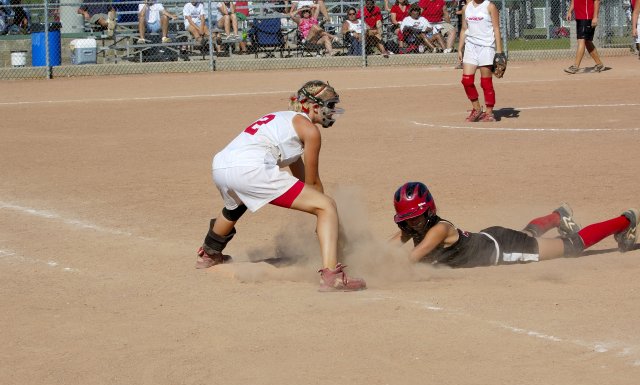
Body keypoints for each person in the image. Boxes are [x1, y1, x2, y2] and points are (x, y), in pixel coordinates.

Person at [195, 81, 366, 292]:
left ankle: (209, 253)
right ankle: (333, 277)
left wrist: (319, 210)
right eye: (329, 106)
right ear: (314, 106)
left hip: (221, 166)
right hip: (251, 169)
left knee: (236, 206)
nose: (332, 111)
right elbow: (313, 184)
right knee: (327, 206)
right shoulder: (310, 131)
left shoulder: (282, 119)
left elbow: (303, 180)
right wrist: (326, 214)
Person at [390, 182, 639, 268]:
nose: (412, 222)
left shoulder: (438, 229)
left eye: (416, 216)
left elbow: (412, 258)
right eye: (407, 218)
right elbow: (384, 248)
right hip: (492, 237)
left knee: (571, 246)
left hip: (503, 248)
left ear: (429, 210)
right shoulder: (415, 227)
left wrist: (377, 272)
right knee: (527, 235)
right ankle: (558, 216)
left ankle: (626, 220)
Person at [457, 0, 504, 122]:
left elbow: (496, 29)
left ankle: (489, 112)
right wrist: (460, 48)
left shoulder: (490, 6)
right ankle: (477, 108)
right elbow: (464, 29)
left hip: (486, 47)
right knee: (466, 81)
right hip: (470, 47)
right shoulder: (466, 8)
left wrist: (499, 51)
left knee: (486, 82)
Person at [564, 0, 605, 73]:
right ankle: (599, 64)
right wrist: (570, 11)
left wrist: (595, 17)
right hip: (579, 17)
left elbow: (596, 1)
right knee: (587, 41)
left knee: (581, 40)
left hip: (587, 17)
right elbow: (573, 1)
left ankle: (575, 66)